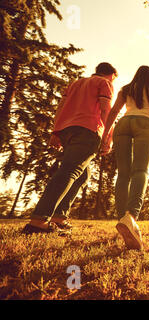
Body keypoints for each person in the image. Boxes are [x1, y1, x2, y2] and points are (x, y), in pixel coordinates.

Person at [22, 63, 117, 234]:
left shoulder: (75, 83)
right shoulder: (105, 83)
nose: (113, 81)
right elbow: (105, 109)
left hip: (67, 131)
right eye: (114, 78)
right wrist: (108, 136)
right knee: (70, 171)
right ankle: (39, 220)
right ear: (111, 74)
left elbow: (61, 107)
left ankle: (59, 217)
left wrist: (55, 131)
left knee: (82, 175)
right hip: (88, 130)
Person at [101, 66, 149, 250]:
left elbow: (114, 111)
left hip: (124, 124)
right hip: (145, 123)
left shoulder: (126, 89)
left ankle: (122, 219)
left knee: (123, 174)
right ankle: (131, 216)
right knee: (140, 170)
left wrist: (105, 136)